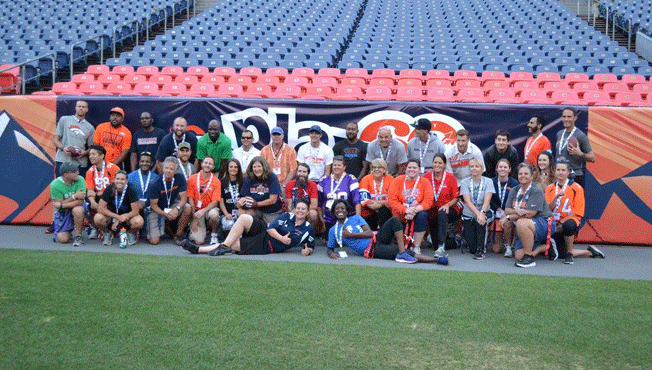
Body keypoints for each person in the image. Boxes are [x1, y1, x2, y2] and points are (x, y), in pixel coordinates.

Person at [325, 200, 445, 264]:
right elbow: (330, 248)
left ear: (347, 211)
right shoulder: (333, 230)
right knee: (406, 253)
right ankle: (436, 260)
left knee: (394, 220)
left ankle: (402, 252)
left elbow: (369, 233)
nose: (340, 211)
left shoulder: (356, 218)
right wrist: (331, 254)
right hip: (371, 250)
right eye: (337, 209)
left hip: (377, 238)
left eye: (342, 208)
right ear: (334, 212)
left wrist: (351, 235)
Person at [183, 198, 315, 257]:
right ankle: (224, 247)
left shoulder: (307, 229)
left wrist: (307, 252)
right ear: (295, 209)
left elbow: (310, 246)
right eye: (298, 208)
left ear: (308, 212)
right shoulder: (287, 216)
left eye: (303, 209)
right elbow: (270, 228)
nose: (300, 211)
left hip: (267, 246)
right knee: (244, 217)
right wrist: (282, 239)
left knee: (234, 245)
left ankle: (198, 249)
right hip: (265, 231)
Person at [545, 158, 604, 264]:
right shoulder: (549, 188)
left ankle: (569, 255)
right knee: (559, 253)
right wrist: (555, 198)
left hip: (570, 220)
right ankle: (588, 252)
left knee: (569, 225)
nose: (560, 172)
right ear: (554, 171)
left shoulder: (577, 188)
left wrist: (562, 223)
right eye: (558, 170)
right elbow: (547, 209)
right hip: (554, 221)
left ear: (568, 172)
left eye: (563, 170)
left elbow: (577, 212)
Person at [500, 162, 555, 268]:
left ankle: (529, 258)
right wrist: (516, 212)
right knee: (518, 255)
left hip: (544, 222)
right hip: (528, 224)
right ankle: (543, 247)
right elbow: (507, 209)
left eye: (526, 173)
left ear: (532, 176)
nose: (522, 176)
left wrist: (509, 217)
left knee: (521, 222)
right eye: (520, 174)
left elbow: (530, 213)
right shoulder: (514, 190)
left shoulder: (536, 191)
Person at [387, 159, 434, 255]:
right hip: (401, 213)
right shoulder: (397, 180)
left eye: (414, 167)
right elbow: (392, 201)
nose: (411, 170)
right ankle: (399, 246)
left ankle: (417, 247)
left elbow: (428, 201)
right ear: (405, 169)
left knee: (423, 215)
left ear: (419, 169)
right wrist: (406, 210)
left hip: (417, 213)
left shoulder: (425, 182)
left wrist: (414, 211)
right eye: (409, 167)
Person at [146, 156, 192, 245]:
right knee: (154, 241)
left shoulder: (180, 177)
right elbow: (153, 206)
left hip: (171, 205)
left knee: (187, 207)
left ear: (176, 171)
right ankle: (163, 227)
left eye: (171, 169)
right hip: (156, 209)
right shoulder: (154, 183)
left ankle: (178, 234)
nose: (168, 171)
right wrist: (166, 215)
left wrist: (176, 209)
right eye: (166, 168)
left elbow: (183, 198)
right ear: (163, 168)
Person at [423, 153, 460, 258]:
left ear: (444, 165)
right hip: (433, 211)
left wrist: (447, 205)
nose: (437, 165)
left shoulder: (450, 177)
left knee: (442, 212)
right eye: (435, 162)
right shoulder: (427, 176)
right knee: (434, 245)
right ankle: (454, 242)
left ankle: (441, 246)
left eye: (440, 163)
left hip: (449, 210)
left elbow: (456, 197)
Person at [95, 170, 144, 246]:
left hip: (127, 217)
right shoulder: (109, 188)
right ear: (114, 179)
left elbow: (135, 211)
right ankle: (107, 233)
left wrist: (119, 219)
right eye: (117, 179)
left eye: (122, 179)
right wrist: (117, 217)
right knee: (98, 218)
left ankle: (130, 233)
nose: (119, 181)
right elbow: (100, 208)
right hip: (111, 216)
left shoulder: (131, 190)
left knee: (139, 221)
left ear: (126, 181)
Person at [318, 155, 361, 241]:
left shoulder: (350, 179)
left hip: (347, 216)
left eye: (339, 165)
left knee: (346, 240)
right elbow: (320, 202)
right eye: (334, 165)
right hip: (330, 218)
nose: (336, 167)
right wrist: (321, 218)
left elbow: (357, 201)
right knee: (331, 241)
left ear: (344, 167)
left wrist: (357, 219)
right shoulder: (324, 180)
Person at [460, 158, 495, 259]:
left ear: (481, 168)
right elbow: (467, 201)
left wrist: (482, 213)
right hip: (469, 215)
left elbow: (487, 200)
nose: (474, 168)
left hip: (485, 212)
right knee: (472, 249)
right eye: (472, 166)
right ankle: (472, 243)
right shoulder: (465, 182)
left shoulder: (488, 181)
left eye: (477, 166)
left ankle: (481, 250)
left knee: (481, 221)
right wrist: (478, 213)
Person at [85, 145, 120, 239]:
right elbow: (90, 191)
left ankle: (118, 227)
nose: (90, 156)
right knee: (86, 203)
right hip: (98, 199)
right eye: (89, 154)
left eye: (93, 154)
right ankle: (95, 228)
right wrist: (92, 201)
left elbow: (115, 188)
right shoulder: (90, 171)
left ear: (102, 156)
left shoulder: (114, 168)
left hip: (112, 198)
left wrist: (97, 194)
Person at [555, 107, 595, 187]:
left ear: (575, 118)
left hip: (574, 176)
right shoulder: (559, 133)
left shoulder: (580, 135)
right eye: (564, 116)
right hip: (560, 175)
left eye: (569, 117)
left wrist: (580, 154)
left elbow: (592, 158)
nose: (566, 119)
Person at [54, 100, 95, 176]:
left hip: (80, 163)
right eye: (79, 106)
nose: (81, 108)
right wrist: (64, 148)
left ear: (87, 109)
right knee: (61, 186)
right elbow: (55, 140)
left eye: (83, 107)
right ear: (75, 108)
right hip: (63, 160)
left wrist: (84, 153)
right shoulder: (64, 120)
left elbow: (91, 147)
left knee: (77, 187)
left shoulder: (90, 127)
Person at [50, 162, 87, 246]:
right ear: (66, 174)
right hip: (63, 212)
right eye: (74, 171)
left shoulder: (80, 179)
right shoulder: (55, 185)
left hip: (75, 207)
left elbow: (80, 201)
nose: (78, 173)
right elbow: (58, 204)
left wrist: (63, 204)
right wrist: (74, 196)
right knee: (63, 239)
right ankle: (68, 230)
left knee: (78, 209)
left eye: (77, 170)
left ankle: (78, 236)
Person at [187, 156, 222, 245]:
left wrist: (204, 210)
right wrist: (194, 217)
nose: (207, 165)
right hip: (196, 210)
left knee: (214, 215)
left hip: (208, 209)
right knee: (199, 242)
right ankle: (193, 229)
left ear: (213, 167)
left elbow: (215, 202)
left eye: (210, 164)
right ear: (202, 164)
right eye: (205, 163)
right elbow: (190, 198)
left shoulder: (216, 181)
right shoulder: (192, 178)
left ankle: (213, 234)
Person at [238, 156, 283, 224]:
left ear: (264, 167)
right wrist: (241, 203)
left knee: (272, 230)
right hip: (255, 210)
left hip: (271, 211)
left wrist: (257, 204)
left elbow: (273, 200)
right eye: (254, 167)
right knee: (242, 212)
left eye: (259, 166)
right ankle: (242, 232)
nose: (257, 169)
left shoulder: (272, 177)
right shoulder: (248, 179)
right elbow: (244, 197)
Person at [488, 158, 519, 257]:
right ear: (496, 169)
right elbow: (489, 199)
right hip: (494, 214)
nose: (502, 169)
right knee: (496, 250)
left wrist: (505, 213)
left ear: (509, 169)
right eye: (500, 167)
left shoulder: (514, 184)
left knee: (509, 223)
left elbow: (515, 201)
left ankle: (509, 246)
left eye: (505, 167)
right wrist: (497, 208)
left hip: (508, 214)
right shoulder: (491, 182)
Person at [359, 158, 394, 231]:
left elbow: (393, 200)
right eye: (374, 167)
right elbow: (364, 199)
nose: (376, 169)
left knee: (383, 211)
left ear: (384, 169)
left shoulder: (391, 179)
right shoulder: (365, 179)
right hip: (369, 211)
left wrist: (381, 204)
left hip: (385, 211)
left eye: (379, 167)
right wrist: (382, 203)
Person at [285, 163, 319, 228]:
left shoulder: (313, 185)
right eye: (299, 171)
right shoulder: (289, 184)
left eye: (304, 172)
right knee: (291, 213)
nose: (301, 174)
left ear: (308, 174)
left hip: (307, 210)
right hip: (294, 209)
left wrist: (302, 211)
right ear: (296, 172)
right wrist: (297, 211)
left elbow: (314, 205)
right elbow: (289, 207)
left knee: (313, 214)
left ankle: (308, 232)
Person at [218, 158, 244, 239]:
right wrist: (226, 214)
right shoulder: (222, 182)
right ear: (227, 168)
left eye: (235, 167)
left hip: (239, 212)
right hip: (227, 213)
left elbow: (244, 199)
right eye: (231, 167)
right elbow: (221, 201)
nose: (233, 169)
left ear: (238, 169)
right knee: (229, 225)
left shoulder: (242, 182)